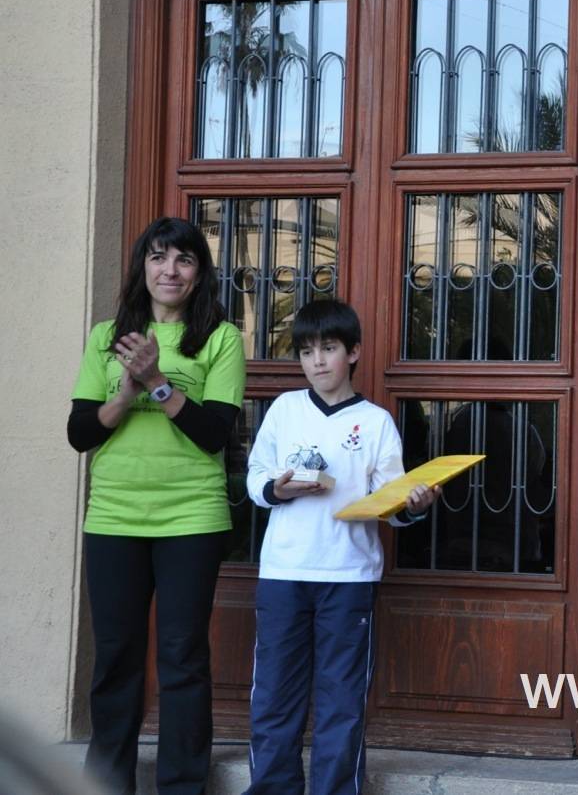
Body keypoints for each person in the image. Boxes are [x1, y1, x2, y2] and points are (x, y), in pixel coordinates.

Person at [67, 217, 247, 795]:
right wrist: (125, 391)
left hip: (191, 518)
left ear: (199, 274)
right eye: (158, 257)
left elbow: (216, 433)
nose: (169, 270)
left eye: (184, 260)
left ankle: (180, 786)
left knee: (182, 656)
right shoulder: (104, 337)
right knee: (116, 656)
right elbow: (79, 433)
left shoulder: (220, 339)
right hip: (115, 516)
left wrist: (159, 383)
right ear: (142, 267)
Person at [243, 299, 437, 795]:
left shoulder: (374, 423)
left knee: (341, 697)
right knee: (274, 694)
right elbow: (256, 477)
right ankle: (272, 787)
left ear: (353, 352)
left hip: (349, 576)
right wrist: (277, 489)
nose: (317, 362)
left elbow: (390, 500)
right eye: (307, 352)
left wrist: (414, 502)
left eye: (328, 349)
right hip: (284, 572)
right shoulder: (285, 410)